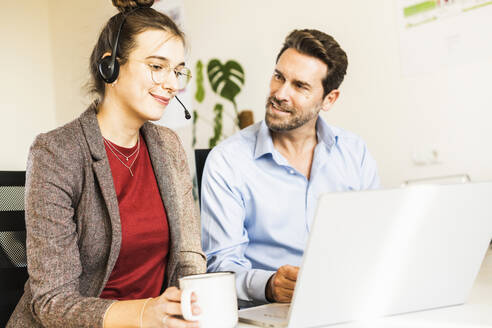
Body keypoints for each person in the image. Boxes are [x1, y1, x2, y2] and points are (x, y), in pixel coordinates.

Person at [7, 1, 205, 327]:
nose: (172, 83)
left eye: (178, 70)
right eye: (157, 66)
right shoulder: (56, 153)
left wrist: (193, 305)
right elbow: (53, 302)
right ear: (110, 66)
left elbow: (187, 256)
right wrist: (144, 313)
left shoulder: (169, 147)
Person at [200, 29, 380, 307]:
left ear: (329, 99)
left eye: (300, 86)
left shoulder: (355, 153)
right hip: (268, 313)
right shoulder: (227, 161)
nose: (280, 93)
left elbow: (374, 241)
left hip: (345, 304)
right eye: (278, 76)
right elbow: (220, 268)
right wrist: (271, 285)